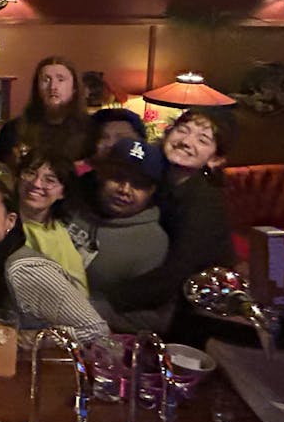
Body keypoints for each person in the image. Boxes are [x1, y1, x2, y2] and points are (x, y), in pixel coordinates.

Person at [108, 109, 236, 317]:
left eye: (202, 140)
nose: (186, 141)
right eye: (182, 130)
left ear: (215, 160)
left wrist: (108, 297)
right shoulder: (158, 174)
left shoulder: (205, 202)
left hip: (195, 303)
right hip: (158, 286)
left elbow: (175, 275)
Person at [0, 178, 108, 348]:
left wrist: (9, 338)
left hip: (47, 372)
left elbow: (94, 331)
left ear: (10, 221)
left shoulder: (24, 270)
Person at [74, 139, 174, 333]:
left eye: (138, 184)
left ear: (152, 190)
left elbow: (155, 319)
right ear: (102, 175)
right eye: (118, 177)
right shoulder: (73, 205)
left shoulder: (152, 242)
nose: (124, 190)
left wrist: (84, 308)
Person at [0, 56, 91, 168]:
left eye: (60, 79)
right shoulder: (13, 129)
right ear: (37, 88)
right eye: (46, 80)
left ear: (75, 88)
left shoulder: (90, 130)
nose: (53, 87)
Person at [16, 151, 90, 293]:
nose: (36, 184)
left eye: (49, 180)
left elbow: (78, 297)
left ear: (62, 192)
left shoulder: (59, 241)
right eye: (30, 173)